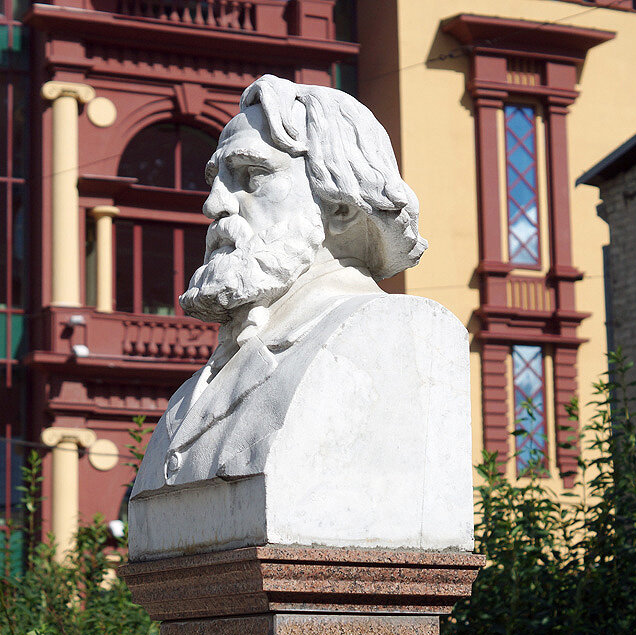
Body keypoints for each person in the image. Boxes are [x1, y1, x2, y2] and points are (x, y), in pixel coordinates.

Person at [129, 76, 470, 557]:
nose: (214, 205)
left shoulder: (393, 336)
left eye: (250, 176)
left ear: (340, 205)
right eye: (216, 180)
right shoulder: (193, 392)